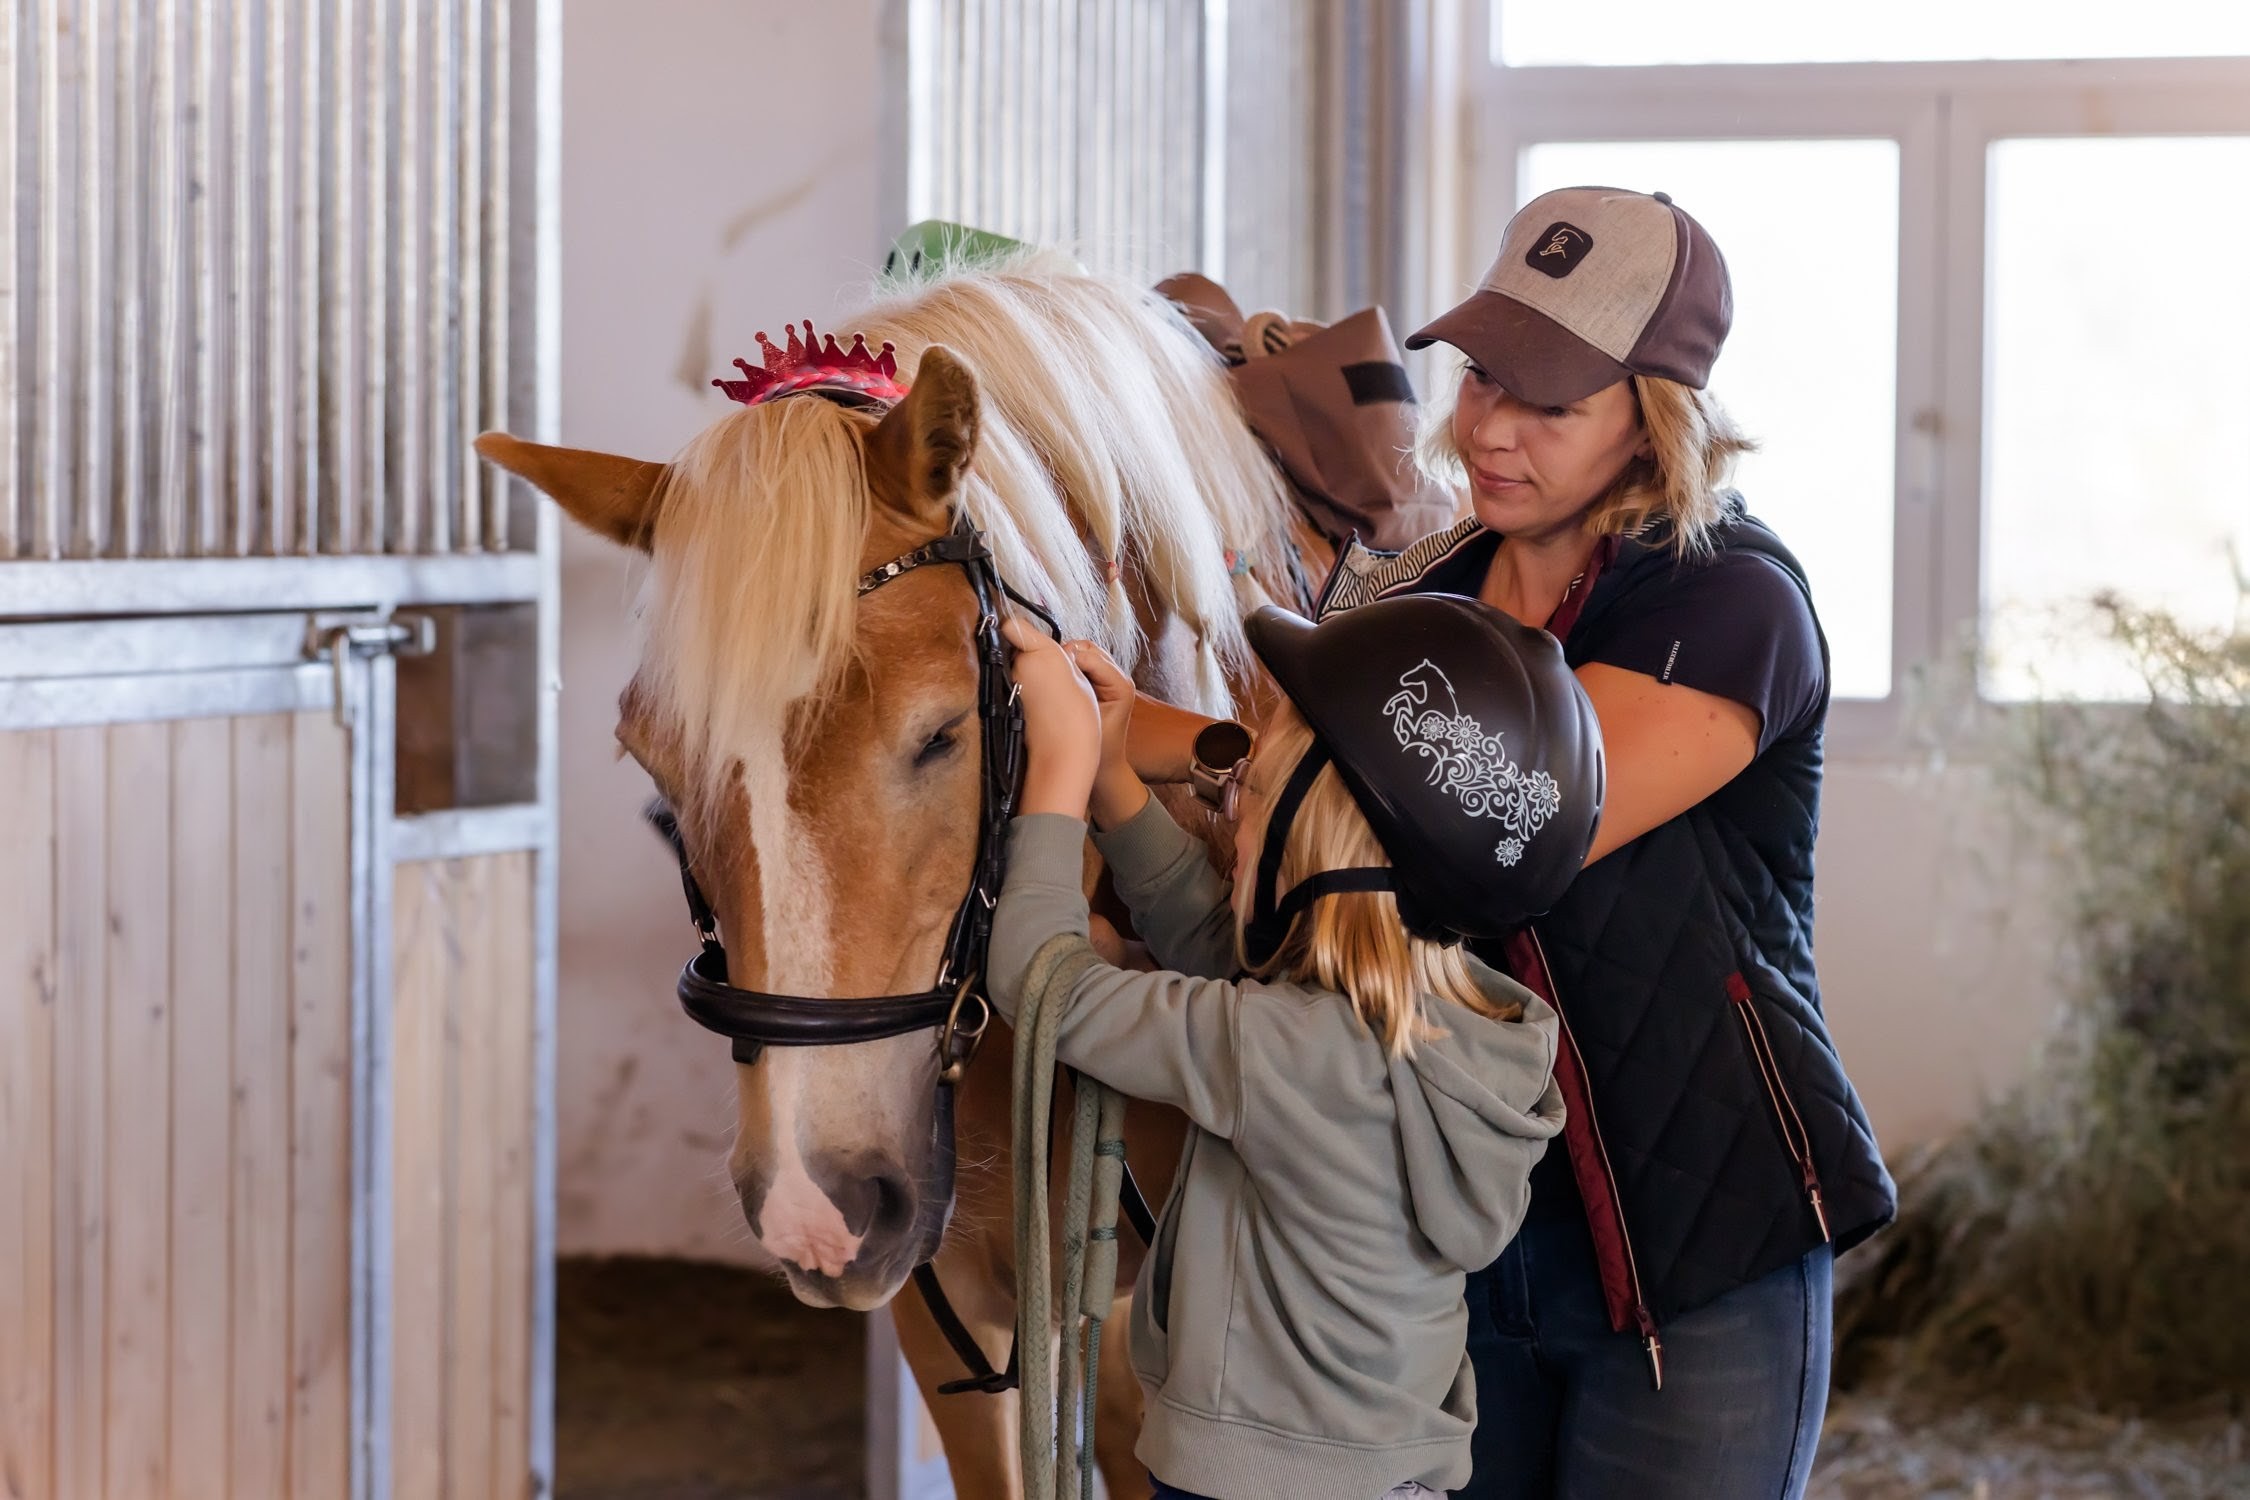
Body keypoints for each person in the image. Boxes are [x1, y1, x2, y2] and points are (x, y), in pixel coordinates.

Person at [1126, 186, 1898, 1498]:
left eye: (1548, 401)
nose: (1485, 426)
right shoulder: (1417, 597)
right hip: (1455, 1236)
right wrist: (1109, 730)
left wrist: (1208, 741)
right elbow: (1295, 796)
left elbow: (1509, 822)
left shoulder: (1728, 603)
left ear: (1654, 418)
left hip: (1693, 1247)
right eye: (1483, 373)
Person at [985, 591, 1603, 1500]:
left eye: (1253, 793)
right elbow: (1231, 962)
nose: (1230, 812)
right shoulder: (1451, 1029)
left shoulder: (1286, 1049)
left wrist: (1062, 772)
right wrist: (1117, 783)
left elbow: (1041, 985)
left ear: (1323, 844)